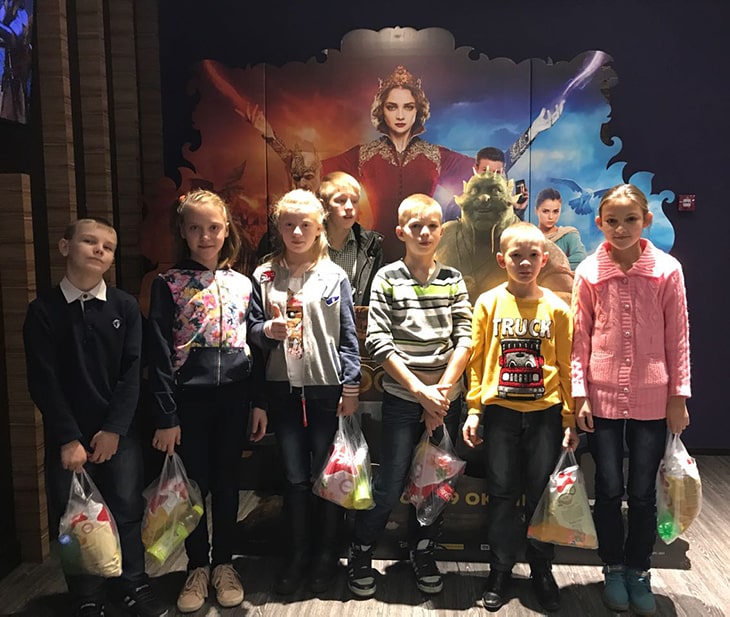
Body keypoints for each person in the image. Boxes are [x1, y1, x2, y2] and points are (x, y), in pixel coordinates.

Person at [23, 218, 167, 617]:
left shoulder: (124, 307)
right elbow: (43, 380)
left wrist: (115, 430)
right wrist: (68, 437)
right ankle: (87, 593)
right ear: (65, 246)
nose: (99, 250)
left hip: (118, 434)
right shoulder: (43, 311)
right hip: (67, 436)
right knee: (75, 517)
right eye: (90, 241)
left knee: (126, 508)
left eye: (108, 246)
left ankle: (133, 583)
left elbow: (131, 373)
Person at [571, 184, 691, 616]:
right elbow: (578, 341)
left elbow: (678, 337)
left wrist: (678, 396)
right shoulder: (589, 271)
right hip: (600, 398)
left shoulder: (667, 270)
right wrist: (580, 395)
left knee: (641, 492)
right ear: (599, 222)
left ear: (647, 221)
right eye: (612, 221)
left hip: (652, 396)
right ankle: (613, 568)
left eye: (630, 220)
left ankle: (640, 570)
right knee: (607, 487)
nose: (620, 229)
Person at [346, 193, 472, 599]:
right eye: (415, 225)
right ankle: (362, 551)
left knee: (435, 482)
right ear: (401, 231)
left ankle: (422, 551)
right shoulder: (387, 278)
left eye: (432, 225)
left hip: (444, 400)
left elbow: (465, 339)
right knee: (391, 480)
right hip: (404, 398)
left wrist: (441, 395)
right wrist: (421, 394)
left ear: (441, 231)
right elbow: (380, 344)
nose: (424, 232)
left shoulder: (453, 279)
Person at [147, 189, 266, 613]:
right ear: (182, 231)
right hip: (188, 401)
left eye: (213, 227)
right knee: (193, 484)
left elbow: (256, 344)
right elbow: (159, 354)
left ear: (226, 229)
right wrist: (166, 413)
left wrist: (258, 403)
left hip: (234, 398)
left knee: (228, 483)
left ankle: (224, 564)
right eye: (195, 228)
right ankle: (196, 565)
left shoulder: (242, 282)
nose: (205, 236)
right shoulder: (168, 284)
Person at [247, 189, 361, 595]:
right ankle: (297, 556)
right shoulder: (262, 275)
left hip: (327, 390)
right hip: (282, 390)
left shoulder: (335, 275)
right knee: (295, 479)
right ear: (278, 226)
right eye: (288, 224)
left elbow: (348, 337)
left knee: (327, 477)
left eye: (305, 225)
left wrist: (351, 388)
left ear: (319, 228)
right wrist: (266, 331)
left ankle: (327, 556)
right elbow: (250, 335)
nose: (297, 232)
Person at [461, 221, 578, 613]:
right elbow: (476, 363)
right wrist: (474, 408)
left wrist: (569, 419)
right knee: (502, 494)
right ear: (502, 259)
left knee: (541, 495)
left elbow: (565, 367)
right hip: (501, 416)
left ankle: (542, 569)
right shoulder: (488, 303)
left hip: (545, 415)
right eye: (516, 256)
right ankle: (500, 568)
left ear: (544, 259)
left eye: (533, 256)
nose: (525, 263)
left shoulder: (558, 310)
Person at [321, 65, 475, 260]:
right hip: (375, 255)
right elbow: (310, 170)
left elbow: (486, 169)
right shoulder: (363, 155)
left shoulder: (436, 156)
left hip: (424, 252)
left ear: (418, 110)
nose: (400, 115)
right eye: (392, 107)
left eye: (408, 107)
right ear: (381, 110)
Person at [435, 170, 574, 305]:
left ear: (510, 200)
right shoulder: (445, 234)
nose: (483, 198)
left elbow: (569, 300)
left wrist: (516, 308)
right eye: (474, 191)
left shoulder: (535, 245)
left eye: (495, 191)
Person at [318, 171, 384, 307]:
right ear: (323, 205)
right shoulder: (308, 242)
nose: (349, 207)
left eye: (354, 201)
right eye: (340, 200)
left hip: (353, 325)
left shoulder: (371, 246)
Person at [534, 187, 587, 270]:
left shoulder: (568, 234)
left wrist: (547, 267)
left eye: (555, 211)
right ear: (536, 211)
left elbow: (581, 258)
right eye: (546, 211)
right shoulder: (529, 237)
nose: (551, 217)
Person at [473, 147, 528, 220]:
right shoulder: (461, 201)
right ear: (476, 168)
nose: (491, 177)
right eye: (485, 171)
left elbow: (516, 230)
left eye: (497, 172)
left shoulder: (506, 203)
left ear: (503, 172)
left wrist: (518, 210)